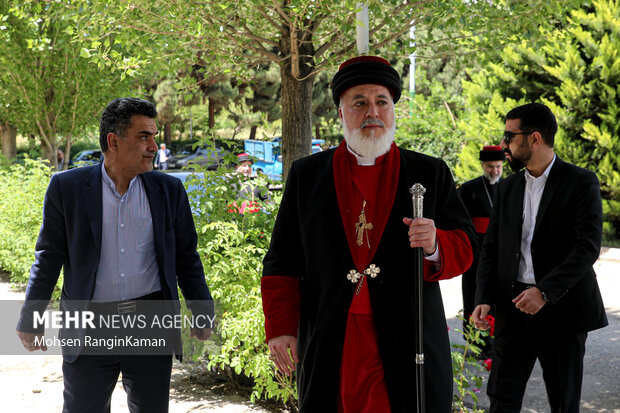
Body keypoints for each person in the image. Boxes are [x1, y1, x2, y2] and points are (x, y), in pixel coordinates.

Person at [261, 56, 476, 412]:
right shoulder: (307, 175)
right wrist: (282, 327)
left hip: (406, 334)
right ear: (341, 113)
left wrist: (436, 244)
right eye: (359, 102)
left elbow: (468, 247)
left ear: (394, 111)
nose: (371, 111)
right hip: (332, 333)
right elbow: (282, 259)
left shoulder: (429, 171)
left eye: (381, 102)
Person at [16, 97, 213, 413]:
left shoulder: (168, 190)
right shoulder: (66, 188)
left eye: (154, 136)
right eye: (143, 136)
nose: (153, 145)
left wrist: (201, 308)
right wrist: (31, 318)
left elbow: (186, 257)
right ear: (113, 141)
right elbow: (49, 256)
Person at [472, 102, 608, 412]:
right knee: (501, 401)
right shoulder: (506, 189)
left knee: (563, 403)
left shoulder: (580, 182)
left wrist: (544, 291)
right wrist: (483, 297)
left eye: (510, 135)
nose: (504, 143)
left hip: (564, 309)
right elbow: (491, 248)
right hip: (513, 308)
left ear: (534, 138)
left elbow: (587, 247)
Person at [457, 145, 505, 358]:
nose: (494, 171)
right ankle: (474, 344)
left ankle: (496, 343)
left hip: (502, 251)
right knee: (473, 294)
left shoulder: (511, 186)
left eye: (498, 166)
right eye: (489, 167)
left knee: (499, 298)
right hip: (476, 252)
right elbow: (460, 221)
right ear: (482, 166)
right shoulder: (469, 189)